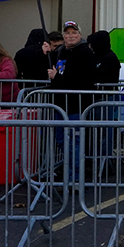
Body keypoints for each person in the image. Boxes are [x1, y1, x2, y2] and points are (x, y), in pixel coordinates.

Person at [47, 21, 97, 182]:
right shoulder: (61, 52)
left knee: (74, 143)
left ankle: (75, 178)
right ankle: (69, 174)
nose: (70, 36)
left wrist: (58, 78)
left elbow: (83, 79)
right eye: (67, 33)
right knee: (61, 140)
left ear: (80, 35)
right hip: (61, 105)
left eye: (74, 33)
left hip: (76, 105)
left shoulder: (85, 53)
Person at [86, 31, 123, 164]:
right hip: (98, 98)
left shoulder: (109, 58)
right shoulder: (98, 56)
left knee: (104, 132)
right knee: (97, 132)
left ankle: (104, 160)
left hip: (104, 98)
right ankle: (97, 159)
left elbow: (100, 76)